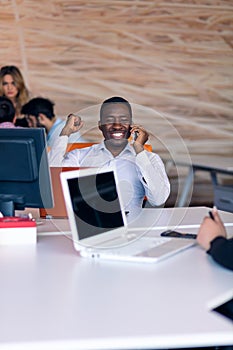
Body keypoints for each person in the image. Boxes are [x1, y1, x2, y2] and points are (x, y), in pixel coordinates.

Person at [48, 96, 170, 218]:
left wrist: (139, 150)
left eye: (124, 120)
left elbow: (158, 200)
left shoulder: (149, 159)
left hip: (132, 229)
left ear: (131, 126)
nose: (117, 126)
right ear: (100, 125)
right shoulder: (80, 156)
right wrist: (65, 133)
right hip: (91, 227)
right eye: (110, 120)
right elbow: (52, 182)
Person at [21, 97, 86, 148]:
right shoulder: (58, 129)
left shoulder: (60, 132)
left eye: (30, 120)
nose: (29, 125)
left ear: (41, 117)